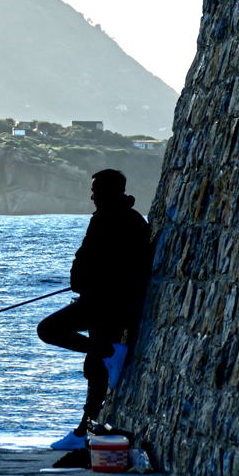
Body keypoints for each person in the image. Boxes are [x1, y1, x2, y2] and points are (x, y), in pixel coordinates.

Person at [37, 168, 151, 450]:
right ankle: (84, 431)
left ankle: (110, 352)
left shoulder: (109, 219)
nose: (92, 195)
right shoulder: (131, 218)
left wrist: (86, 286)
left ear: (112, 191)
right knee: (95, 368)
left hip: (103, 302)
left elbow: (99, 260)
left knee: (49, 329)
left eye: (97, 189)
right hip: (107, 300)